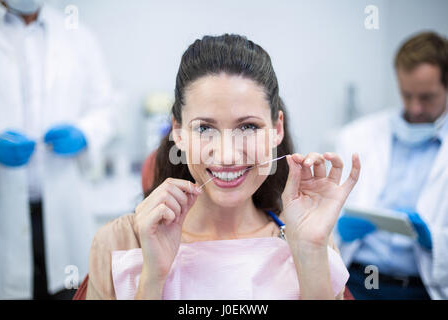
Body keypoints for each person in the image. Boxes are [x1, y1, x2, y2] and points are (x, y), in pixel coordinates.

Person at [86, 34, 361, 300]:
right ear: (178, 132)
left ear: (277, 129)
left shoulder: (309, 237)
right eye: (205, 127)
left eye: (248, 126)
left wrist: (310, 253)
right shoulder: (121, 243)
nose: (227, 155)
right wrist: (152, 279)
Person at [0, 0, 117, 299]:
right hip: (4, 213)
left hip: (64, 210)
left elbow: (106, 107)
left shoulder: (75, 33)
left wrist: (85, 132)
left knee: (69, 291)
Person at [334, 31, 448, 299]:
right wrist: (338, 224)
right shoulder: (357, 135)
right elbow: (326, 210)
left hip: (421, 287)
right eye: (407, 95)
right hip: (358, 280)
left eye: (427, 97)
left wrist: (435, 240)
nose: (415, 107)